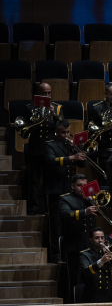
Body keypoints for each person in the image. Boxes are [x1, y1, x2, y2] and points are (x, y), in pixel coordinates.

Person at [18, 82, 64, 216]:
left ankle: (50, 209)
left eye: (49, 93)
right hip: (35, 149)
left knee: (51, 181)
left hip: (51, 151)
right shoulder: (30, 108)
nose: (47, 95)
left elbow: (63, 126)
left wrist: (54, 115)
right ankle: (33, 210)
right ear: (38, 93)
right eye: (44, 93)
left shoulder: (57, 108)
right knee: (34, 181)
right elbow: (24, 129)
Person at [44, 120, 86, 264]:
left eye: (68, 132)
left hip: (70, 190)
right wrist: (71, 158)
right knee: (56, 225)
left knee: (70, 224)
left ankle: (68, 253)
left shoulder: (71, 144)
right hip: (56, 189)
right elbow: (50, 160)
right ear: (57, 132)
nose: (66, 135)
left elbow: (82, 164)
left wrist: (78, 150)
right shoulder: (50, 144)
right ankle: (55, 255)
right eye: (63, 132)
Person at [58, 174, 98, 299]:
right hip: (73, 245)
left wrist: (94, 201)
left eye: (84, 185)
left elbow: (104, 212)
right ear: (72, 186)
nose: (82, 188)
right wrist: (85, 212)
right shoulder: (65, 199)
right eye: (79, 185)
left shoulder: (89, 199)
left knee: (90, 276)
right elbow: (65, 214)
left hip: (89, 244)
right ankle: (73, 305)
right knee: (74, 277)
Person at [79, 228, 112, 306]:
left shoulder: (108, 253)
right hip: (93, 297)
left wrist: (111, 258)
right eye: (97, 238)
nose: (100, 240)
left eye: (102, 237)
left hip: (108, 297)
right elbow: (86, 272)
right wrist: (102, 261)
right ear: (91, 240)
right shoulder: (85, 255)